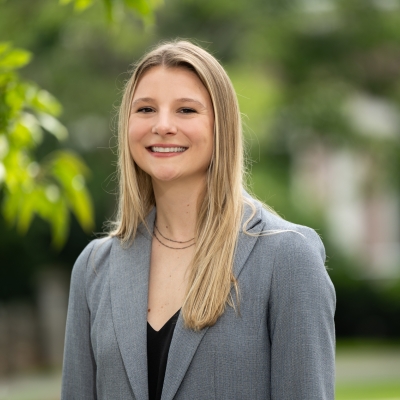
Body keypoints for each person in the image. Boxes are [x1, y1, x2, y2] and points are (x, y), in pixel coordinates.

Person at [61, 40, 336, 400]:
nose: (162, 125)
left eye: (186, 110)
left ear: (221, 125)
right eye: (145, 109)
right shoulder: (94, 268)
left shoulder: (287, 258)